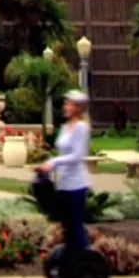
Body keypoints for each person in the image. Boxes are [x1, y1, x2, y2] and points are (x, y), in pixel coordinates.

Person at [39, 89, 92, 253]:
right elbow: (61, 152)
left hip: (76, 184)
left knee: (75, 226)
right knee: (67, 227)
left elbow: (77, 156)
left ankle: (86, 261)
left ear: (77, 107)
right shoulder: (65, 127)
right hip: (63, 183)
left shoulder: (82, 127)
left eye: (69, 104)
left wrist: (53, 163)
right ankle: (71, 262)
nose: (65, 106)